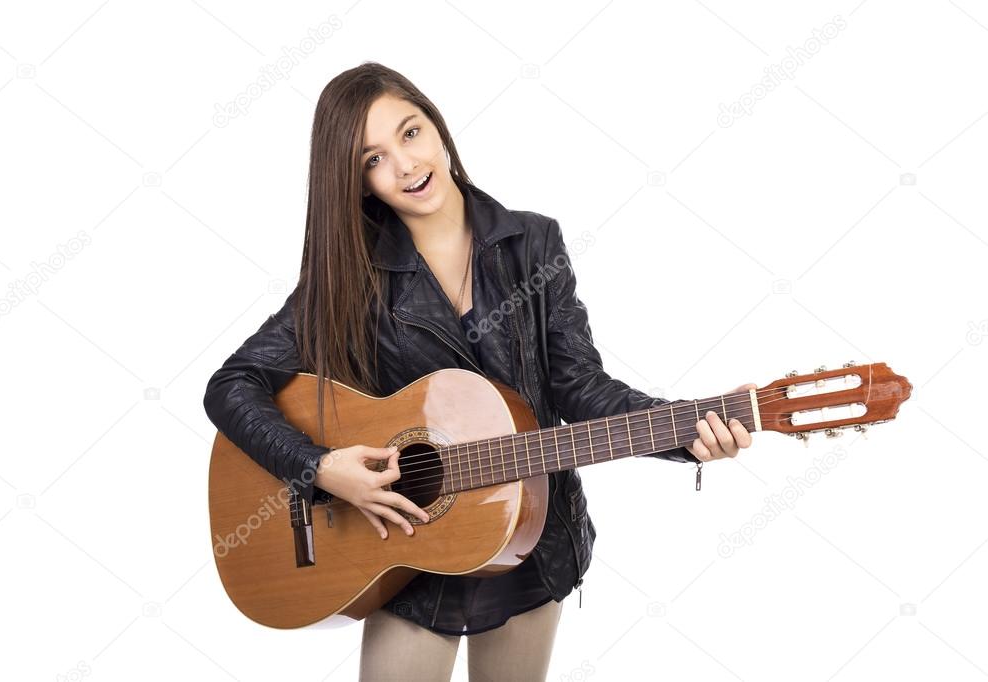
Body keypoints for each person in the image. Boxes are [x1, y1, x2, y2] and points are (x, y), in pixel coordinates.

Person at [202, 61, 754, 682]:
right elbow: (232, 386)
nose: (406, 166)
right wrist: (321, 469)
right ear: (356, 183)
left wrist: (685, 432)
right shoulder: (347, 280)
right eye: (373, 159)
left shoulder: (533, 245)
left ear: (436, 126)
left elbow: (579, 385)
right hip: (407, 550)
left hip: (526, 537)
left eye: (410, 134)